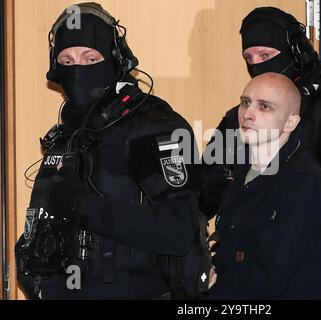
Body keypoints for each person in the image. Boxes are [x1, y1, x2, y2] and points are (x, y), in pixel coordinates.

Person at [15, 2, 210, 300]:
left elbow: (177, 230)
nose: (78, 69)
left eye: (90, 57)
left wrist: (85, 208)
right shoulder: (67, 134)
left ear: (116, 59)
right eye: (67, 61)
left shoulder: (155, 127)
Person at [200, 7, 321, 299]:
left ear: (293, 50)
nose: (257, 64)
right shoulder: (240, 117)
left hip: (319, 273)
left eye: (265, 55)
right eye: (249, 58)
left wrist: (293, 248)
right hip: (246, 279)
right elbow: (207, 190)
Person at [206, 72, 321, 299]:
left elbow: (274, 270)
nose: (248, 114)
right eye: (245, 103)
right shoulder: (242, 169)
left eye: (265, 107)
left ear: (291, 122)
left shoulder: (304, 181)